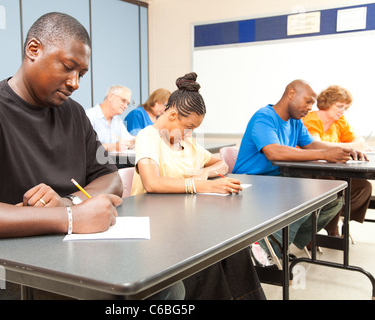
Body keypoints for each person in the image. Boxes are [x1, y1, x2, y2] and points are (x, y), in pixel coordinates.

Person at [0, 12, 184, 300]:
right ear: (33, 50)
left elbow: (109, 177)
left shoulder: (74, 114)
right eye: (68, 67)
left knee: (162, 286)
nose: (75, 83)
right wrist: (69, 217)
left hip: (59, 247)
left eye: (81, 75)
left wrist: (68, 202)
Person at [131, 72, 266, 300]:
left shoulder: (187, 142)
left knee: (234, 249)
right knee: (208, 259)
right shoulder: (148, 137)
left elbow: (221, 163)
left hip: (185, 221)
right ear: (172, 115)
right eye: (189, 127)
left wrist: (205, 173)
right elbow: (152, 183)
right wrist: (201, 186)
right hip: (156, 227)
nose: (190, 133)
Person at [233, 80, 367, 265]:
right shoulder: (264, 117)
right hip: (252, 181)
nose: (310, 108)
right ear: (291, 93)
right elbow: (274, 152)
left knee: (335, 195)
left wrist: (343, 149)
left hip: (278, 178)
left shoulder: (295, 122)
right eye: (308, 102)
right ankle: (265, 249)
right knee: (306, 195)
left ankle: (276, 244)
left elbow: (311, 143)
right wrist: (325, 154)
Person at [302, 85, 372, 236]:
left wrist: (359, 144)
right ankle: (318, 231)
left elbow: (356, 138)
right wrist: (351, 146)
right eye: (339, 106)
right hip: (309, 170)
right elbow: (316, 144)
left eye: (346, 107)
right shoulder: (311, 119)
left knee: (363, 187)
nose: (343, 111)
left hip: (334, 170)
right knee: (335, 188)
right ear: (327, 103)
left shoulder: (340, 121)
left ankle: (332, 220)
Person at [85, 85, 135, 152]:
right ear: (111, 96)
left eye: (128, 104)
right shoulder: (89, 116)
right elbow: (85, 145)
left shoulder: (117, 120)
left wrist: (138, 140)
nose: (125, 106)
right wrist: (113, 147)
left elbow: (128, 140)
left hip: (112, 162)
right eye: (123, 101)